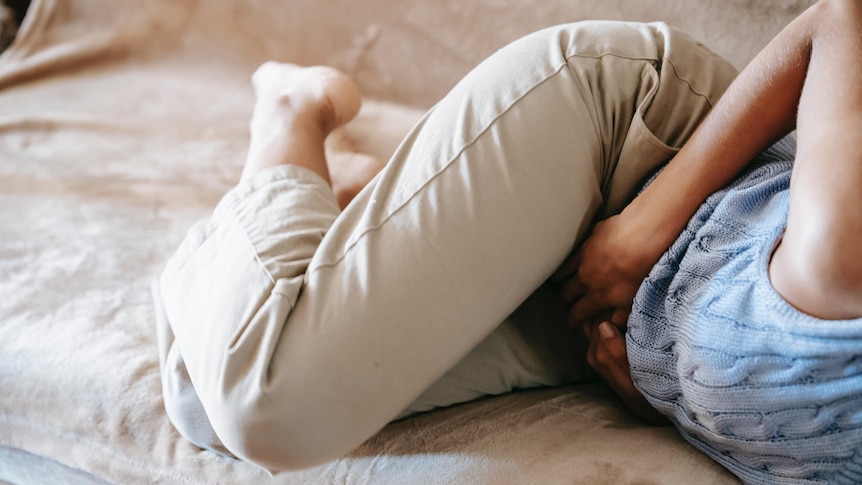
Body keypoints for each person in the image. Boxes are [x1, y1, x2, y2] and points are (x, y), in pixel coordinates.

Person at [153, 0, 861, 481]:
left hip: (620, 316)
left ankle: (360, 191)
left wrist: (668, 395)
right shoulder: (843, 263)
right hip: (635, 154)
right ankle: (289, 114)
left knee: (200, 391)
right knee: (265, 395)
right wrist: (642, 233)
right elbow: (840, 18)